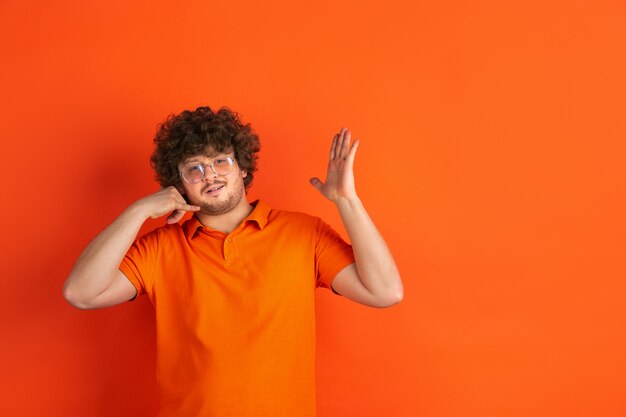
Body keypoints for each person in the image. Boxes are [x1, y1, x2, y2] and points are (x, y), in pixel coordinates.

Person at [63, 106, 403, 417]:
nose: (209, 175)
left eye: (220, 161)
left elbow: (385, 292)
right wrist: (137, 211)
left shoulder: (303, 233)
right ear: (178, 184)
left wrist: (346, 200)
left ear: (242, 167)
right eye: (193, 169)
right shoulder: (160, 249)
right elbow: (81, 293)